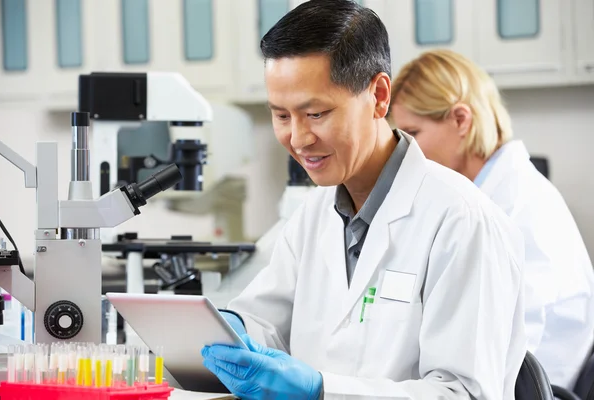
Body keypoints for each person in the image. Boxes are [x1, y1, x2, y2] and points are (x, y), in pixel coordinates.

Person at [201, 1, 527, 399]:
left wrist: (323, 391)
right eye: (282, 116)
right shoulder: (313, 216)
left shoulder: (461, 220)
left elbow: (466, 394)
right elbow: (264, 323)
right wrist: (228, 328)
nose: (299, 139)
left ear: (379, 95)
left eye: (316, 113)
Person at [389, 48, 594, 390]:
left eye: (413, 133)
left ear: (460, 120)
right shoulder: (481, 194)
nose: (404, 150)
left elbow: (516, 343)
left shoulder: (518, 205)